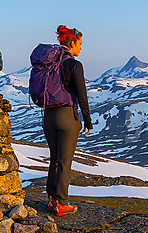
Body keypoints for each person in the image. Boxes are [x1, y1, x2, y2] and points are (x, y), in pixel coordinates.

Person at [43, 25, 93, 216]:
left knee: (54, 158)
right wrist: (87, 121)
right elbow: (82, 96)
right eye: (79, 44)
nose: (80, 48)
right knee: (65, 161)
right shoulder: (74, 65)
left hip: (48, 117)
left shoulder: (49, 63)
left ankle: (51, 200)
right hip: (66, 117)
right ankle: (62, 203)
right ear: (71, 43)